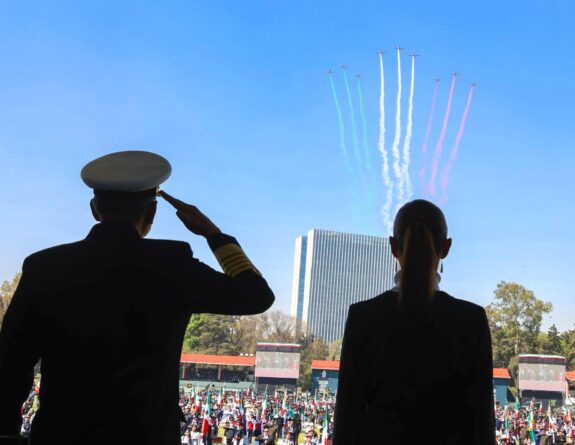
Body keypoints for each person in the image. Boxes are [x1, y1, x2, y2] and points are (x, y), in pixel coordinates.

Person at [0, 151, 275, 444]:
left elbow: (11, 364)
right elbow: (256, 295)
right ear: (152, 212)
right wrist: (213, 234)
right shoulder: (173, 265)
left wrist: (6, 433)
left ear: (94, 209)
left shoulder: (44, 267)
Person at [333, 199, 495, 445]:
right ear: (446, 248)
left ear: (393, 246)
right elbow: (482, 427)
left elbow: (347, 422)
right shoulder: (471, 320)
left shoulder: (362, 317)